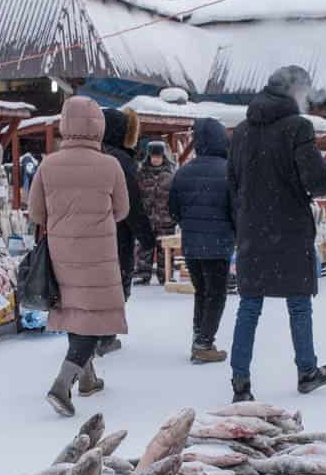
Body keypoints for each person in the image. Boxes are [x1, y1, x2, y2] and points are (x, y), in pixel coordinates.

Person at [228, 65, 326, 401]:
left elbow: (232, 182)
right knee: (299, 305)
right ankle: (307, 372)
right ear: (293, 91)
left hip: (252, 231)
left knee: (249, 306)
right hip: (290, 230)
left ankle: (240, 383)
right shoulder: (298, 128)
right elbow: (317, 183)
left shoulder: (242, 130)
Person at [28, 97, 129, 416]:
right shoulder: (110, 165)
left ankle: (88, 379)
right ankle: (62, 384)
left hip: (61, 251)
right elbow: (122, 210)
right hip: (98, 253)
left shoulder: (48, 164)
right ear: (98, 125)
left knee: (75, 310)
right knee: (94, 318)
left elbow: (36, 212)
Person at [168, 117, 235, 364]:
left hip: (192, 244)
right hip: (219, 245)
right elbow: (236, 209)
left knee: (202, 291)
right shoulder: (229, 171)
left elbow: (173, 208)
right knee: (216, 294)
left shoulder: (183, 172)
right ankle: (204, 343)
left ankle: (199, 337)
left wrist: (189, 224)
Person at [99, 107, 153, 356]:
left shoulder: (92, 155)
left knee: (92, 288)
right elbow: (132, 205)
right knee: (118, 286)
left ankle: (89, 336)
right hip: (116, 234)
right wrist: (146, 236)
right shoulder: (122, 161)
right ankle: (105, 337)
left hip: (87, 235)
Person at [134, 141, 177, 284]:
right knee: (144, 247)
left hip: (165, 218)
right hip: (146, 218)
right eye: (153, 156)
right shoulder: (141, 173)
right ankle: (142, 273)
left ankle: (165, 275)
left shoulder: (171, 173)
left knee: (164, 249)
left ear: (163, 156)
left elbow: (176, 195)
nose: (156, 159)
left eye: (158, 156)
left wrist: (174, 214)